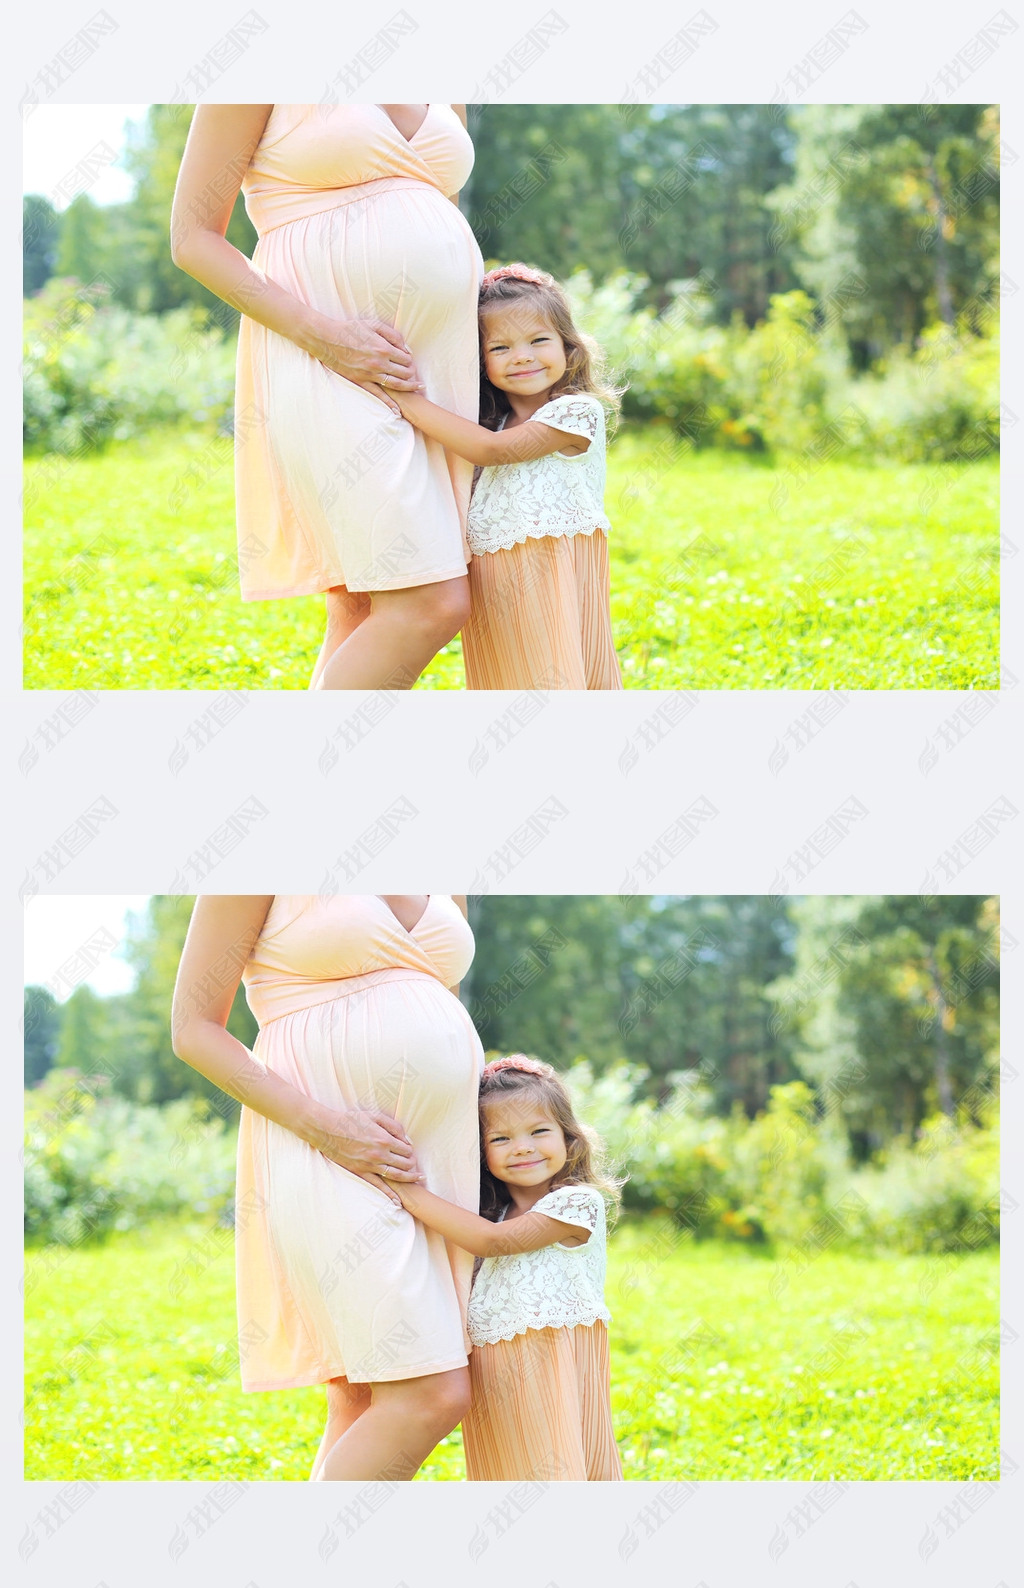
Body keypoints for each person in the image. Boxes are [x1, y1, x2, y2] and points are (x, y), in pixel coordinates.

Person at [170, 895, 484, 1480]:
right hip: (323, 1145)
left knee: (363, 1395)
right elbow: (192, 1031)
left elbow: (437, 999)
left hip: (440, 1162)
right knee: (430, 1393)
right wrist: (329, 1129)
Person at [170, 105, 483, 689]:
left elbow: (437, 210)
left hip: (439, 372)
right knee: (430, 603)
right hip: (322, 354)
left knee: (363, 603)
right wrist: (327, 338)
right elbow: (191, 240)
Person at [382, 262, 624, 690]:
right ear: (481, 363)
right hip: (493, 574)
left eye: (538, 340)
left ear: (568, 348)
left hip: (553, 567)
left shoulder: (576, 413)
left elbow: (493, 453)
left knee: (556, 672)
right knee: (508, 678)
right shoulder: (492, 422)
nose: (523, 356)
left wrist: (404, 398)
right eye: (500, 348)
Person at [392, 1053, 624, 1479]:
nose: (523, 1147)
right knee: (508, 1471)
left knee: (557, 1465)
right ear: (481, 1154)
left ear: (569, 1139)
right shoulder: (489, 1214)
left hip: (554, 1361)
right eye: (501, 1139)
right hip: (492, 1367)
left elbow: (496, 1244)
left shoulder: (576, 1204)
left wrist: (406, 1191)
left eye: (539, 1131)